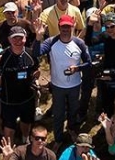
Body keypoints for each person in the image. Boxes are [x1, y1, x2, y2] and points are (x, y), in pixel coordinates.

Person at [34, 14, 91, 146]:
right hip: (57, 86)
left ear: (72, 27)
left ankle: (71, 130)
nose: (65, 29)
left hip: (75, 85)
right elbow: (36, 53)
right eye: (63, 26)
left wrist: (77, 68)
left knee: (73, 110)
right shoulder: (51, 42)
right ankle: (58, 139)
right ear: (59, 27)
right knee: (58, 114)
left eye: (68, 27)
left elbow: (88, 63)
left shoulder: (79, 43)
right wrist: (38, 38)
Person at [0, 26, 40, 143]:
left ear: (25, 39)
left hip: (27, 98)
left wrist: (35, 76)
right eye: (14, 38)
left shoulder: (31, 54)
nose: (17, 41)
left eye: (20, 38)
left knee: (26, 122)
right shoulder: (2, 56)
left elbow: (36, 71)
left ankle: (24, 139)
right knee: (9, 128)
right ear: (9, 39)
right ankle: (9, 150)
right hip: (9, 100)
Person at [85, 11, 115, 116]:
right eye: (106, 27)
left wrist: (114, 75)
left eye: (112, 26)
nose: (109, 30)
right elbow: (89, 42)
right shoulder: (106, 36)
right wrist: (90, 25)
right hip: (106, 76)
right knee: (106, 105)